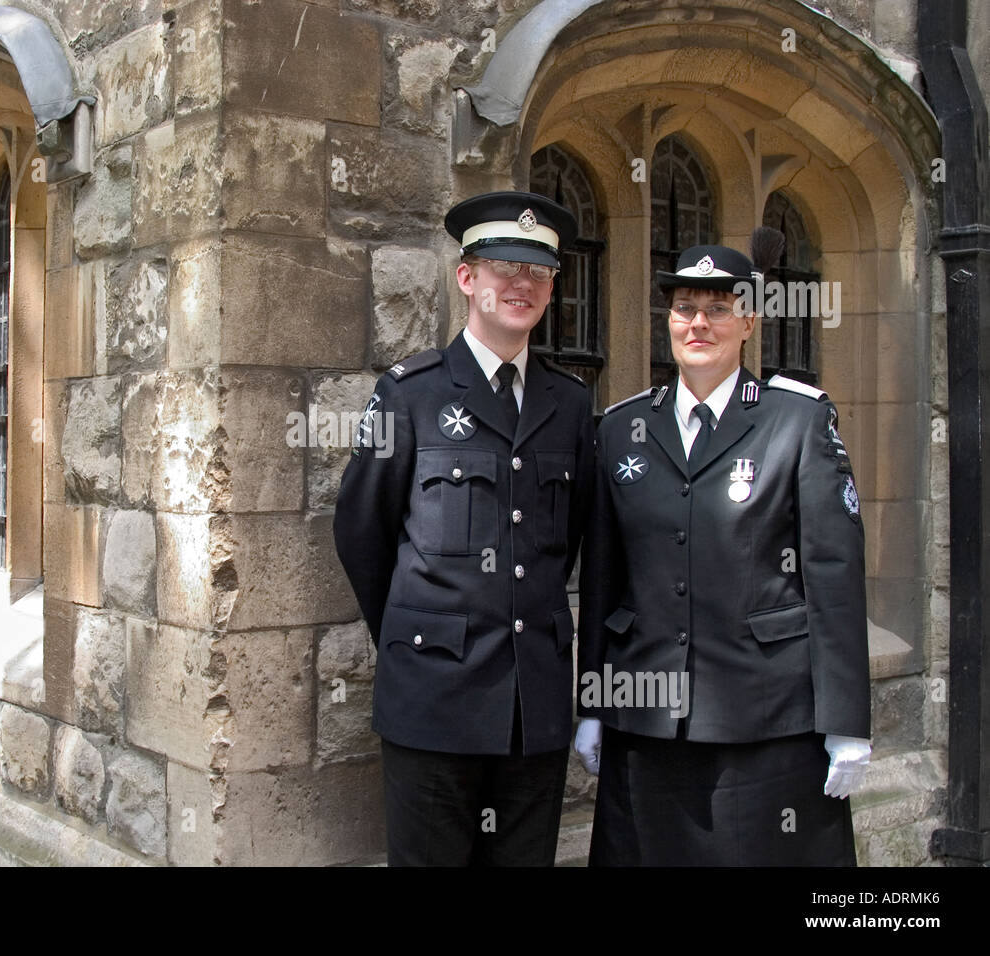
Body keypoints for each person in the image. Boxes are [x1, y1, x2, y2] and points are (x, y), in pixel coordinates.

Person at [574, 239, 872, 866]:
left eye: (718, 307)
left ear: (750, 320)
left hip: (766, 717)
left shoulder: (797, 422)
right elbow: (605, 579)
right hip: (646, 713)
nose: (699, 323)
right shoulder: (620, 428)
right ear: (670, 322)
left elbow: (833, 575)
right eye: (685, 308)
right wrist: (593, 703)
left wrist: (846, 718)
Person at [333, 191, 594, 866]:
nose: (521, 282)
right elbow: (362, 533)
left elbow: (565, 545)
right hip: (433, 699)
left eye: (537, 271)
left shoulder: (568, 404)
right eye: (503, 265)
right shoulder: (410, 395)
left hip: (532, 705)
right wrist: (420, 632)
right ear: (467, 277)